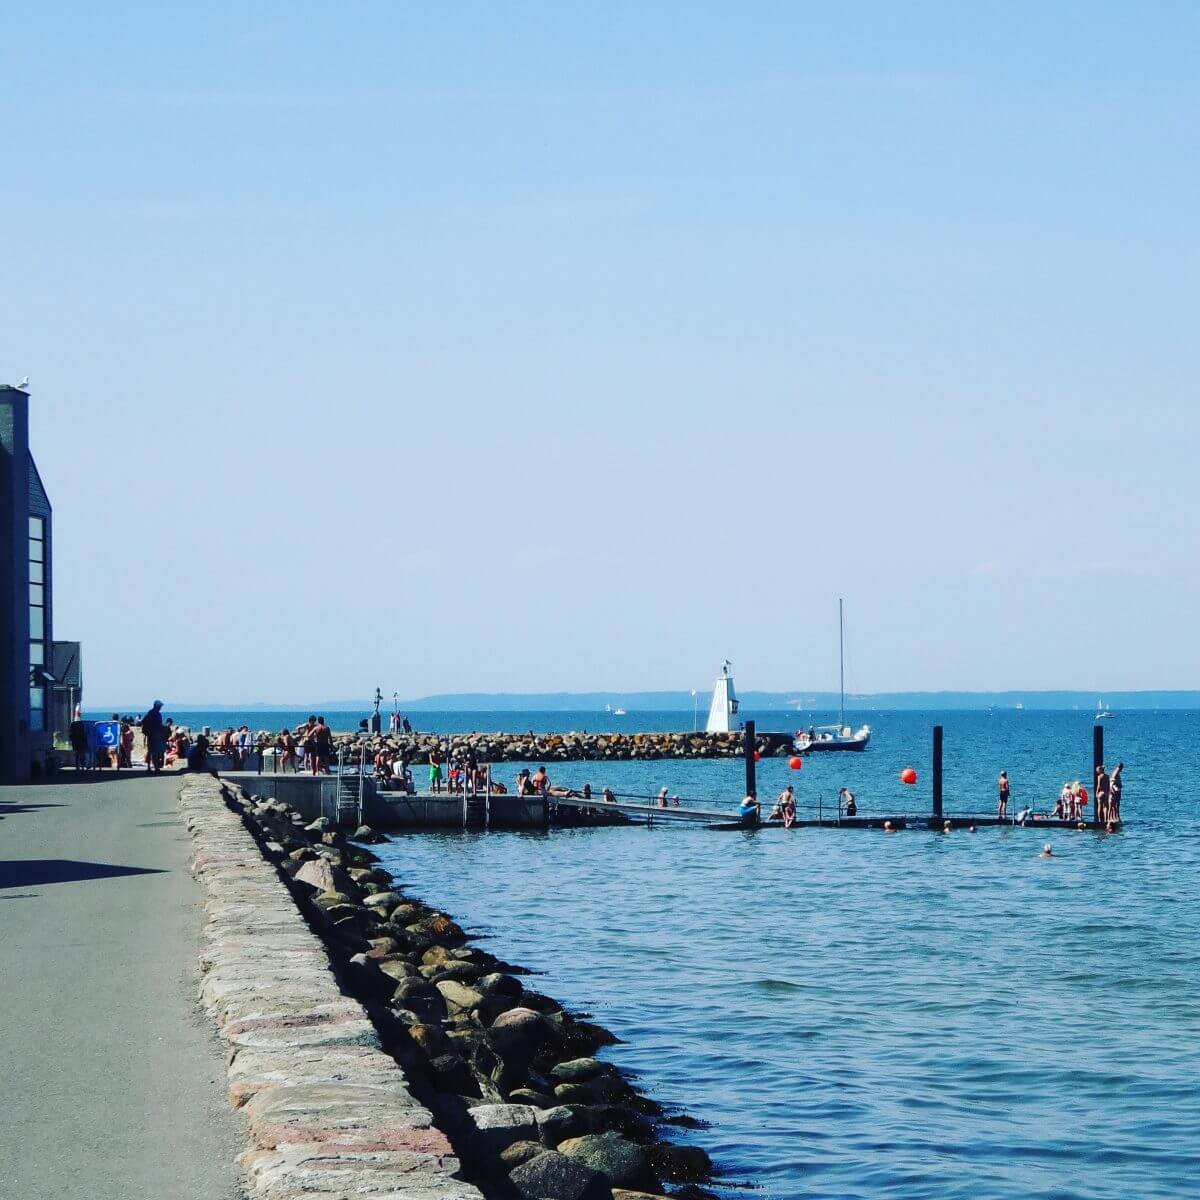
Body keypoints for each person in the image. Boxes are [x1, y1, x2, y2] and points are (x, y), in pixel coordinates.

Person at [141, 700, 167, 773]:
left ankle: (149, 767)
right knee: (155, 751)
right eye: (160, 706)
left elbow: (143, 721)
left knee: (150, 751)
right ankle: (156, 768)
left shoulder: (150, 713)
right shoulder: (156, 713)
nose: (160, 707)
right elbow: (158, 724)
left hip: (150, 734)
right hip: (154, 734)